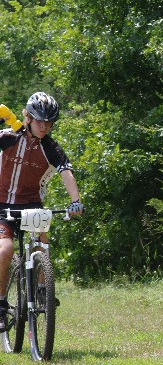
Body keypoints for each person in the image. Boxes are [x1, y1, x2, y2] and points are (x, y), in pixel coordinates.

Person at [0, 92, 84, 332]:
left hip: (30, 204)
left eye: (49, 122)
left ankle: (41, 291)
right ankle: (1, 304)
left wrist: (76, 201)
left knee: (42, 242)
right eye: (39, 120)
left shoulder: (51, 148)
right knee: (5, 249)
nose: (44, 126)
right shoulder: (9, 137)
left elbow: (66, 172)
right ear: (28, 118)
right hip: (2, 204)